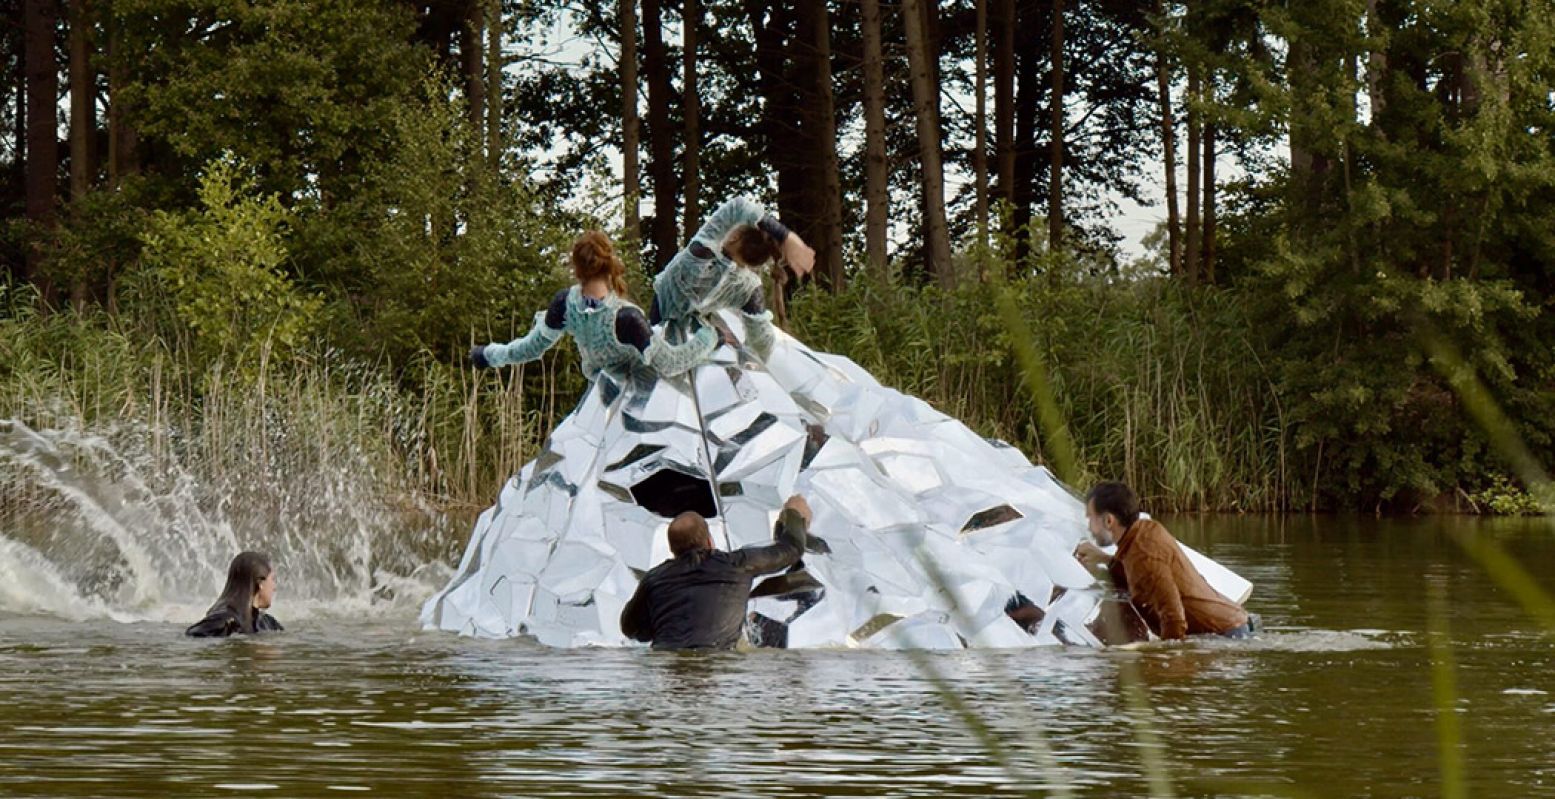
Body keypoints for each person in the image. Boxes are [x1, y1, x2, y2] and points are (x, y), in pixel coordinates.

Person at [470, 231, 719, 387]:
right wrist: (710, 337)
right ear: (609, 265)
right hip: (641, 406)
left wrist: (488, 354)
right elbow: (670, 362)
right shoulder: (627, 318)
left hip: (601, 399)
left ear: (576, 267)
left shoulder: (566, 304)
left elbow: (530, 348)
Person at [620, 495, 811, 650]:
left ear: (672, 549)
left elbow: (630, 629)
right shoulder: (737, 565)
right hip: (717, 660)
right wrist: (794, 512)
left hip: (667, 662)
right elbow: (791, 550)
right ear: (710, 541)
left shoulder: (654, 579)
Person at [1074, 482, 1255, 640]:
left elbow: (1174, 619)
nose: (1090, 527)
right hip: (1232, 626)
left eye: (1091, 519)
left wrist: (1165, 663)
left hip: (1225, 636)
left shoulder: (1144, 554)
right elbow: (1137, 573)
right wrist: (1103, 558)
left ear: (1108, 520)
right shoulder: (1144, 532)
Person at [649, 197, 815, 360]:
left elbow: (738, 206)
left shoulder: (703, 252)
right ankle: (714, 338)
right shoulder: (748, 289)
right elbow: (761, 341)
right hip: (689, 329)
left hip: (663, 312)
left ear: (735, 237)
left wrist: (785, 236)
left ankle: (713, 338)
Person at [186, 551, 284, 638]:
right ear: (260, 583)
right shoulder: (225, 620)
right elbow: (192, 634)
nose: (274, 587)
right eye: (272, 579)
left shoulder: (267, 622)